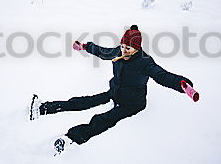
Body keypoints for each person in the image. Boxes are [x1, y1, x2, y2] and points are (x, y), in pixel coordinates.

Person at [31, 25, 193, 154]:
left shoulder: (145, 62)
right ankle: (44, 108)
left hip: (132, 103)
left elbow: (162, 76)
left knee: (102, 120)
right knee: (83, 101)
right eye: (123, 46)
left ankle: (71, 139)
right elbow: (102, 52)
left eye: (128, 48)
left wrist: (181, 84)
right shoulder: (118, 52)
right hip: (114, 92)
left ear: (137, 49)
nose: (124, 51)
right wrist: (84, 46)